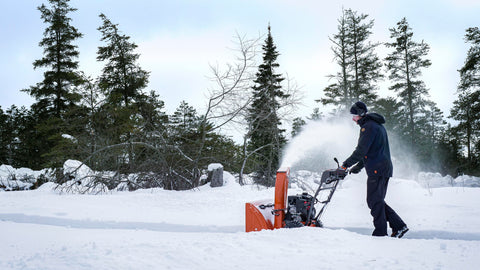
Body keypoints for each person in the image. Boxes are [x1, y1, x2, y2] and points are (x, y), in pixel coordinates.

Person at [341, 101, 408, 238]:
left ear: (360, 114)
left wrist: (345, 165)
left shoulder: (369, 127)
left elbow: (361, 150)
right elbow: (370, 151)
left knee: (374, 201)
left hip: (378, 168)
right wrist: (358, 167)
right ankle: (398, 226)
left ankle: (381, 233)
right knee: (376, 200)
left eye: (354, 115)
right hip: (381, 167)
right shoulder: (374, 125)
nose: (353, 119)